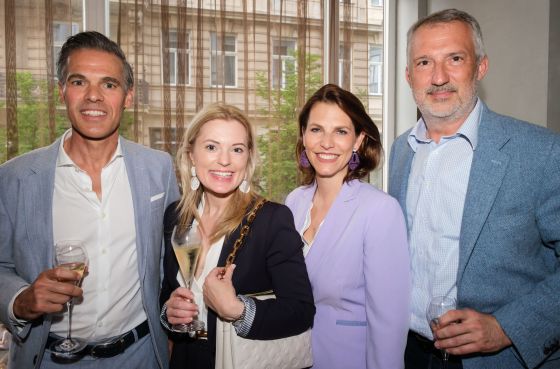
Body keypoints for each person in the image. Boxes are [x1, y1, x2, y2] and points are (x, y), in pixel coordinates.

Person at [389, 8, 560, 369]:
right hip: (410, 354)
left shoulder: (540, 152)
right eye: (424, 63)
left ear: (480, 67)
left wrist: (507, 327)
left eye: (454, 58)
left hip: (500, 359)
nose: (438, 77)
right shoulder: (400, 151)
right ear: (408, 76)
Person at [0, 31, 180, 369]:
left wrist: (173, 331)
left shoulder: (159, 168)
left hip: (140, 356)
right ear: (62, 92)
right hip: (49, 358)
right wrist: (19, 300)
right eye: (79, 82)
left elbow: (171, 259)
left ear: (128, 97)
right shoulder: (15, 177)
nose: (94, 96)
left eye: (109, 85)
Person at [160, 102, 315, 369]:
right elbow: (167, 293)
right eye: (211, 147)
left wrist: (237, 310)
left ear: (248, 158)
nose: (224, 160)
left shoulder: (271, 220)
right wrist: (169, 312)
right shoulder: (177, 216)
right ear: (191, 155)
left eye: (237, 149)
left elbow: (301, 311)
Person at [285, 84, 410, 369]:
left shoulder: (380, 210)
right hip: (290, 358)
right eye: (316, 130)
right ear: (303, 136)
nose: (326, 142)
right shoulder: (293, 203)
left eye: (340, 131)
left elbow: (389, 322)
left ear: (358, 140)